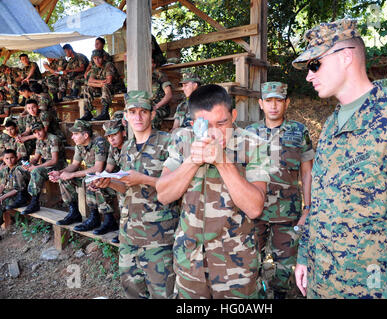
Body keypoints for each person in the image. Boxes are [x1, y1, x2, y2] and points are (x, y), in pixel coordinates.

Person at [291, 19, 387, 299]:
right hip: (323, 281)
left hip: (374, 288)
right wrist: (305, 254)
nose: (309, 76)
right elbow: (322, 199)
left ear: (346, 57)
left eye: (315, 64)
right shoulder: (331, 124)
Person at [156, 84, 270, 298]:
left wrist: (222, 162)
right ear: (192, 123)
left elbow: (255, 208)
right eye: (205, 125)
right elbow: (163, 194)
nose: (214, 133)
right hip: (189, 261)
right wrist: (192, 161)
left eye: (222, 123)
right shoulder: (183, 140)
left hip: (235, 266)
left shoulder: (254, 145)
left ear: (233, 115)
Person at [92, 91, 179, 299]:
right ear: (126, 117)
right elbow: (127, 187)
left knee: (163, 293)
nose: (138, 117)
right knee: (132, 290)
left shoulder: (168, 142)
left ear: (152, 114)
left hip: (159, 237)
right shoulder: (127, 147)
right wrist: (109, 182)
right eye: (133, 112)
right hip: (129, 234)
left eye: (143, 111)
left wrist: (144, 179)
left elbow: (176, 188)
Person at [245, 82, 314, 299]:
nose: (274, 106)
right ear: (261, 104)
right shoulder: (249, 133)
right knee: (249, 265)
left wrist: (308, 208)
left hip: (288, 213)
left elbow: (307, 172)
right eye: (269, 100)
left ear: (287, 103)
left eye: (279, 100)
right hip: (255, 212)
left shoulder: (299, 131)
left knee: (285, 271)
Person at [49, 120, 115, 235]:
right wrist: (60, 173)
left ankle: (102, 218)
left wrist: (73, 174)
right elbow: (74, 165)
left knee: (88, 179)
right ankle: (74, 212)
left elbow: (98, 168)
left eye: (75, 134)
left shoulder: (99, 142)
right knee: (64, 179)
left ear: (85, 135)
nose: (72, 137)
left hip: (106, 177)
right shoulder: (79, 146)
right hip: (92, 175)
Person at [20, 122, 66, 215]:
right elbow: (36, 158)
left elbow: (54, 160)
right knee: (19, 169)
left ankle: (34, 202)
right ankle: (21, 196)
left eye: (39, 131)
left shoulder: (53, 139)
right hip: (45, 166)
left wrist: (36, 167)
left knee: (37, 171)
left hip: (58, 167)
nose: (38, 134)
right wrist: (28, 164)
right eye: (35, 132)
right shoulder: (39, 141)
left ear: (44, 129)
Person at [79, 49, 125, 121]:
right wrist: (100, 83)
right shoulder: (95, 68)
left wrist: (97, 83)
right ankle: (88, 113)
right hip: (103, 88)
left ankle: (105, 113)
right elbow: (89, 81)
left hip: (116, 88)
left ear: (103, 58)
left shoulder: (108, 65)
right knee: (87, 88)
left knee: (105, 85)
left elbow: (109, 81)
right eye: (94, 58)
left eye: (99, 58)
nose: (97, 60)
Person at [0, 149, 30, 225]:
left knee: (3, 203)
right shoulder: (5, 170)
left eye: (12, 157)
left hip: (18, 196)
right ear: (3, 159)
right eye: (7, 158)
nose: (9, 160)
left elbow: (18, 189)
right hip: (7, 194)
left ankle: (20, 221)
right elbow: (3, 185)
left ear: (16, 158)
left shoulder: (19, 169)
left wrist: (2, 197)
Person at [150, 58, 173, 130]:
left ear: (154, 64)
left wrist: (156, 106)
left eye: (151, 62)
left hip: (160, 108)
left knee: (153, 116)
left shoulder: (160, 75)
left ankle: (152, 139)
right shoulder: (140, 76)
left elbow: (169, 94)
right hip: (147, 107)